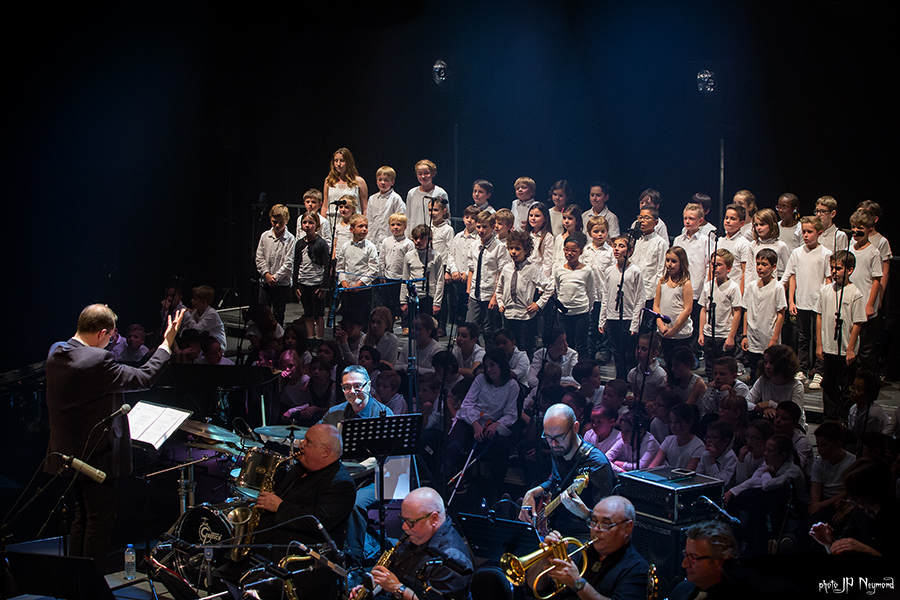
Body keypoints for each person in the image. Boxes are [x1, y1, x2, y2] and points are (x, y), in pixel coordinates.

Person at [44, 304, 185, 568]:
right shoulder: (97, 361)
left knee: (82, 516)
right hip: (96, 456)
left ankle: (78, 581)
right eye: (110, 337)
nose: (110, 342)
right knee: (100, 521)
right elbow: (144, 377)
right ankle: (91, 584)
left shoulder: (57, 351)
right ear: (101, 333)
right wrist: (167, 343)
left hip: (67, 454)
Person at [214, 424, 357, 597]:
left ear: (325, 451)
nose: (301, 444)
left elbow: (319, 521)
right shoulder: (300, 468)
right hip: (265, 552)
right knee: (218, 578)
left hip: (297, 565)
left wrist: (280, 507)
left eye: (308, 442)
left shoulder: (341, 484)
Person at [349, 487, 473, 600]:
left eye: (410, 522)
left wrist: (397, 588)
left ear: (434, 519)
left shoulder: (452, 560)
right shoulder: (415, 535)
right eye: (402, 519)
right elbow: (394, 572)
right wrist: (373, 587)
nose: (404, 527)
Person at [519, 404, 616, 540]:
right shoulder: (558, 449)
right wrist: (532, 492)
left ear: (575, 428)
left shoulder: (597, 465)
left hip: (581, 535)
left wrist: (585, 514)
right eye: (548, 437)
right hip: (555, 527)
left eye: (559, 437)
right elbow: (556, 481)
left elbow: (608, 521)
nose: (553, 444)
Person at [526, 496, 649, 600]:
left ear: (627, 528)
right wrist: (544, 558)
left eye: (606, 524)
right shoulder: (575, 549)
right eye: (593, 521)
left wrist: (578, 583)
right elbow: (534, 588)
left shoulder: (638, 569)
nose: (596, 529)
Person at [782, 215, 831, 387]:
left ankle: (819, 371)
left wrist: (825, 302)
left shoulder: (826, 254)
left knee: (819, 339)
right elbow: (791, 276)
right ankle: (802, 369)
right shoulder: (797, 252)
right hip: (802, 301)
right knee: (802, 338)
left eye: (810, 232)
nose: (806, 235)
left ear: (819, 233)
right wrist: (791, 301)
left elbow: (828, 278)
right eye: (804, 232)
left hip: (819, 304)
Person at [815, 250, 864, 422]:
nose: (834, 272)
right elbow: (819, 316)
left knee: (846, 386)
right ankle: (829, 418)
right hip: (829, 347)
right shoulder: (825, 291)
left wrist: (850, 349)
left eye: (838, 268)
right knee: (829, 384)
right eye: (832, 268)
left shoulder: (855, 293)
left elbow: (857, 323)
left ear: (849, 270)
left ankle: (844, 419)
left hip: (845, 350)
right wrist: (819, 344)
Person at [496, 230, 552, 358]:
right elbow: (499, 289)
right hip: (509, 315)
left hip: (525, 317)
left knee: (525, 349)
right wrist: (500, 303)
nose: (513, 252)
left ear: (526, 251)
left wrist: (538, 304)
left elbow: (549, 287)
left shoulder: (532, 269)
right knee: (508, 348)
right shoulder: (507, 268)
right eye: (511, 248)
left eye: (518, 249)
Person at [598, 235, 644, 379]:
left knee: (629, 353)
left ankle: (630, 381)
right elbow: (606, 296)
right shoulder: (609, 270)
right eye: (615, 246)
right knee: (616, 352)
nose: (617, 249)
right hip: (612, 317)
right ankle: (619, 379)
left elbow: (640, 298)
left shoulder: (635, 271)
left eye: (621, 246)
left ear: (630, 251)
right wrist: (602, 319)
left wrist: (635, 323)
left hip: (628, 317)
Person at [466, 210, 511, 350]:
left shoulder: (499, 247)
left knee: (488, 331)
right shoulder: (474, 245)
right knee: (470, 327)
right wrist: (469, 290)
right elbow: (471, 269)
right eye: (479, 226)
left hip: (490, 294)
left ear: (492, 227)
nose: (481, 230)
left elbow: (502, 273)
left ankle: (491, 358)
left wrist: (495, 297)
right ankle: (476, 355)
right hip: (475, 293)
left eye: (485, 227)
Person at [741, 248, 787, 381]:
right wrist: (744, 335)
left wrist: (774, 339)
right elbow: (746, 310)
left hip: (768, 337)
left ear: (773, 266)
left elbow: (781, 314)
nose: (760, 267)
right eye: (758, 264)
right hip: (753, 337)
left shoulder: (777, 287)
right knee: (755, 371)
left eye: (764, 264)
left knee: (771, 372)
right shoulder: (751, 286)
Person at [698, 249, 742, 380]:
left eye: (719, 265)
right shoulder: (708, 286)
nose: (715, 267)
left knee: (723, 369)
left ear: (728, 268)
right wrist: (701, 333)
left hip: (724, 334)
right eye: (713, 264)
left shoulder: (733, 287)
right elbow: (703, 310)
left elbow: (737, 312)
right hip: (709, 333)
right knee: (710, 368)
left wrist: (731, 336)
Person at [669, 520, 740, 600]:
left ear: (719, 562)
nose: (684, 565)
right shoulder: (682, 589)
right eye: (686, 555)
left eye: (693, 558)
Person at [555, 231, 598, 359]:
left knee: (582, 344)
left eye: (573, 250)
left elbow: (591, 292)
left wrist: (588, 308)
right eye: (567, 250)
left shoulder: (587, 270)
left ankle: (582, 368)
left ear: (580, 252)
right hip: (564, 314)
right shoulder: (559, 270)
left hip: (581, 313)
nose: (569, 253)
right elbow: (558, 289)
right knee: (567, 344)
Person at [256, 203, 297, 325]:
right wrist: (267, 274)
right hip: (265, 281)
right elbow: (259, 257)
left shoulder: (290, 239)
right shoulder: (265, 236)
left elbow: (289, 262)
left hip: (281, 283)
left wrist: (276, 277)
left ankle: (277, 335)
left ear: (286, 221)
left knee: (278, 312)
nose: (277, 225)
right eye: (274, 222)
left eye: (280, 222)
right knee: (263, 311)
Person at [320, 365, 394, 427]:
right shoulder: (333, 413)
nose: (352, 391)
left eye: (357, 386)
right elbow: (316, 433)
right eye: (347, 387)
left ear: (368, 386)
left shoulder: (385, 414)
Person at [337, 213, 380, 316]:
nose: (364, 229)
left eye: (366, 227)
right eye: (360, 226)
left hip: (364, 290)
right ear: (351, 229)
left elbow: (373, 269)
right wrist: (343, 281)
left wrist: (360, 284)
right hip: (348, 289)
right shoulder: (345, 246)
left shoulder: (370, 247)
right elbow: (340, 267)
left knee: (363, 317)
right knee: (347, 317)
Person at [378, 212, 415, 325]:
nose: (395, 227)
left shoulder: (409, 243)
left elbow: (411, 261)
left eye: (398, 224)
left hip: (402, 278)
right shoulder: (386, 241)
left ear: (405, 227)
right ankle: (389, 324)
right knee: (390, 302)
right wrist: (381, 274)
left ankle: (405, 324)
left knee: (403, 301)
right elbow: (382, 258)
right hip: (389, 276)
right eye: (393, 224)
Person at [366, 165, 406, 247]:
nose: (382, 182)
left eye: (386, 180)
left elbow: (401, 220)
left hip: (390, 241)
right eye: (380, 180)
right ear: (376, 181)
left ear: (392, 182)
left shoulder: (395, 198)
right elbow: (369, 220)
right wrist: (368, 239)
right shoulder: (372, 198)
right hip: (374, 241)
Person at [324, 147, 368, 218]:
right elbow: (325, 206)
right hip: (332, 219)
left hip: (352, 220)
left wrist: (363, 222)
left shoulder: (359, 181)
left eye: (342, 161)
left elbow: (365, 208)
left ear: (349, 162)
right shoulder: (329, 181)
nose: (338, 164)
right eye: (336, 161)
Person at [182, 284, 227, 351]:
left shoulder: (212, 314)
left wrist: (187, 315)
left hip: (217, 347)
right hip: (204, 345)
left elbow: (197, 330)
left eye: (195, 299)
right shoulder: (195, 312)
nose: (192, 301)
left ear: (204, 302)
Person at [407, 159, 448, 229]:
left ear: (433, 174)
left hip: (433, 233)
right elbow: (408, 217)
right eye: (420, 174)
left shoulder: (440, 193)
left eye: (426, 173)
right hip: (415, 233)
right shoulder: (412, 193)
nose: (423, 176)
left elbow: (446, 217)